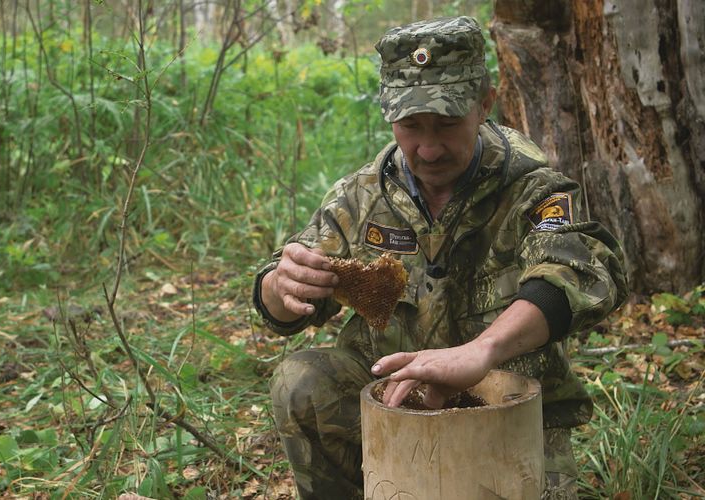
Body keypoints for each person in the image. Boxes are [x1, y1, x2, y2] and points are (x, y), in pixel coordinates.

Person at [252, 16, 628, 500]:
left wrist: (482, 351)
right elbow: (284, 299)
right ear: (389, 116)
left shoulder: (532, 190)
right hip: (392, 407)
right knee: (299, 379)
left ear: (484, 105)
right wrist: (280, 288)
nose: (428, 148)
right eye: (410, 126)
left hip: (508, 414)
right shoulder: (360, 198)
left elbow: (579, 272)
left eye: (447, 124)